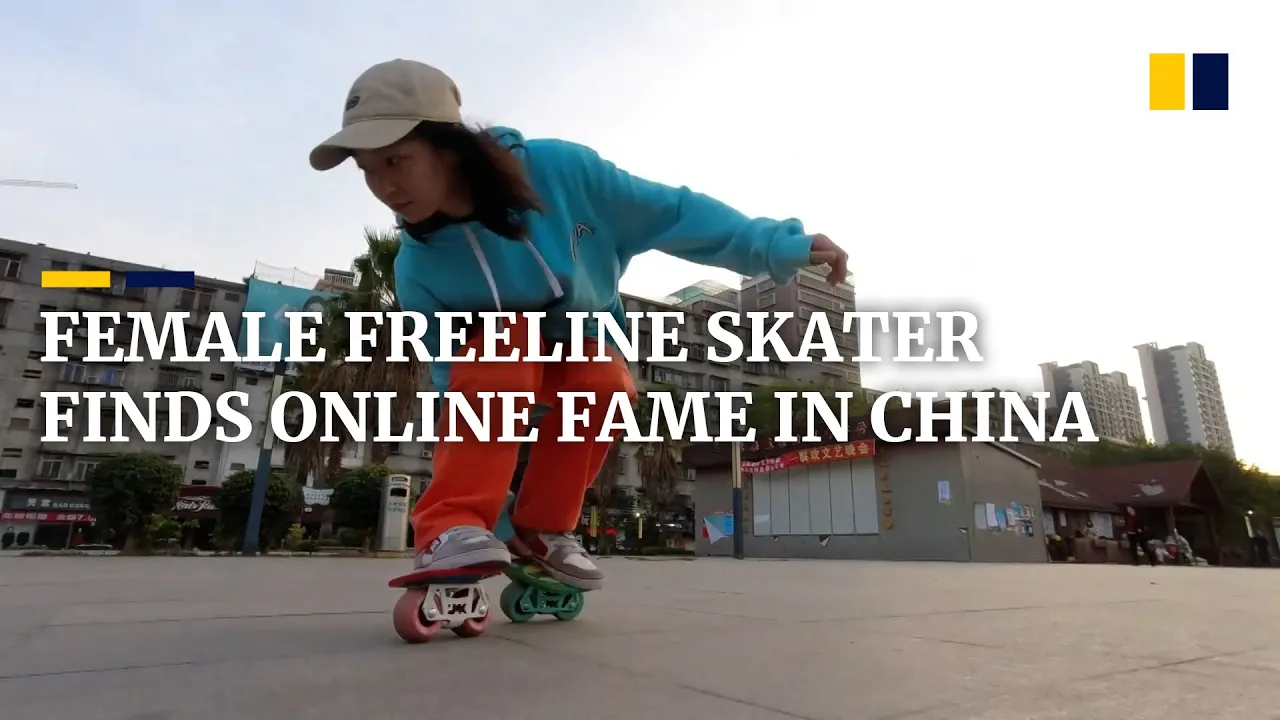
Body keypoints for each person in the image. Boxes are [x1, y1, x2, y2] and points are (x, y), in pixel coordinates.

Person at [309, 59, 848, 591]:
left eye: (396, 161)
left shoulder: (563, 174)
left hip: (580, 344)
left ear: (447, 145)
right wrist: (483, 499)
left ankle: (545, 528)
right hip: (494, 371)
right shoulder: (417, 266)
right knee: (505, 338)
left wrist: (778, 245)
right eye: (368, 170)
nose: (384, 186)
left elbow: (673, 212)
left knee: (607, 383)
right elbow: (451, 374)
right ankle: (450, 526)